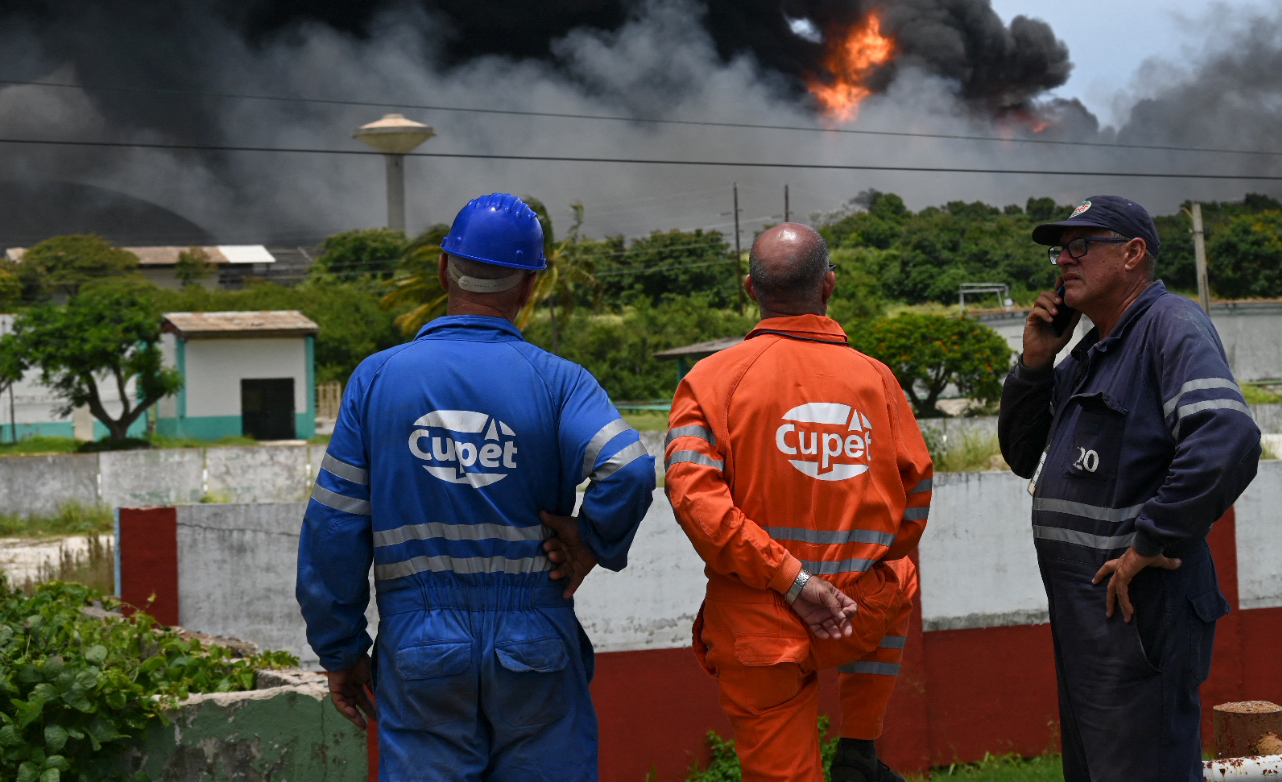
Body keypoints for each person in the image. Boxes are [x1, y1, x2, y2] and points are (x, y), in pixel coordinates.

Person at [297, 193, 656, 782]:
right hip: (534, 640)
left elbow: (333, 527)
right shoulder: (559, 382)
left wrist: (340, 650)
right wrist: (590, 542)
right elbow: (632, 469)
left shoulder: (377, 379)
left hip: (420, 647)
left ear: (443, 269)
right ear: (528, 286)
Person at [997, 196, 1261, 782]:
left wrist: (1149, 541)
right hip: (1087, 621)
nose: (1064, 261)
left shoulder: (1170, 326)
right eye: (1059, 250)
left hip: (1141, 616)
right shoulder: (1093, 350)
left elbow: (1228, 434)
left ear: (1133, 254)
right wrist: (1037, 363)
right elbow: (1021, 454)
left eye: (1081, 246)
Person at [664, 223, 933, 782]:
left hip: (758, 631)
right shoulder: (878, 381)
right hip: (854, 615)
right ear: (828, 285)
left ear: (749, 289)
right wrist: (852, 575)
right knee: (901, 573)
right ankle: (860, 743)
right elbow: (916, 498)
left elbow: (693, 499)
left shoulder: (709, 381)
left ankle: (855, 749)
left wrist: (794, 581)